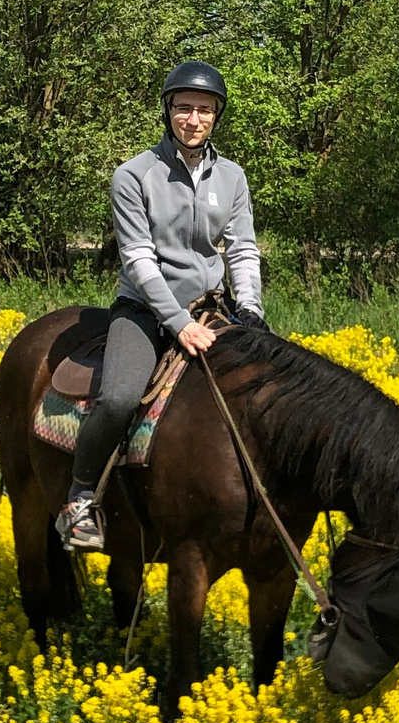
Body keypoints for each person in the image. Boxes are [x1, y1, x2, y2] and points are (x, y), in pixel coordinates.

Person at [59, 60, 262, 551]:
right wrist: (178, 322)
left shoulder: (232, 177)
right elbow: (138, 259)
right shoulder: (134, 174)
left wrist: (252, 310)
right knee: (120, 396)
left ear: (216, 116)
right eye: (183, 108)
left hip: (215, 307)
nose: (193, 119)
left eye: (204, 110)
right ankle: (80, 498)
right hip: (147, 310)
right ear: (167, 111)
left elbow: (241, 249)